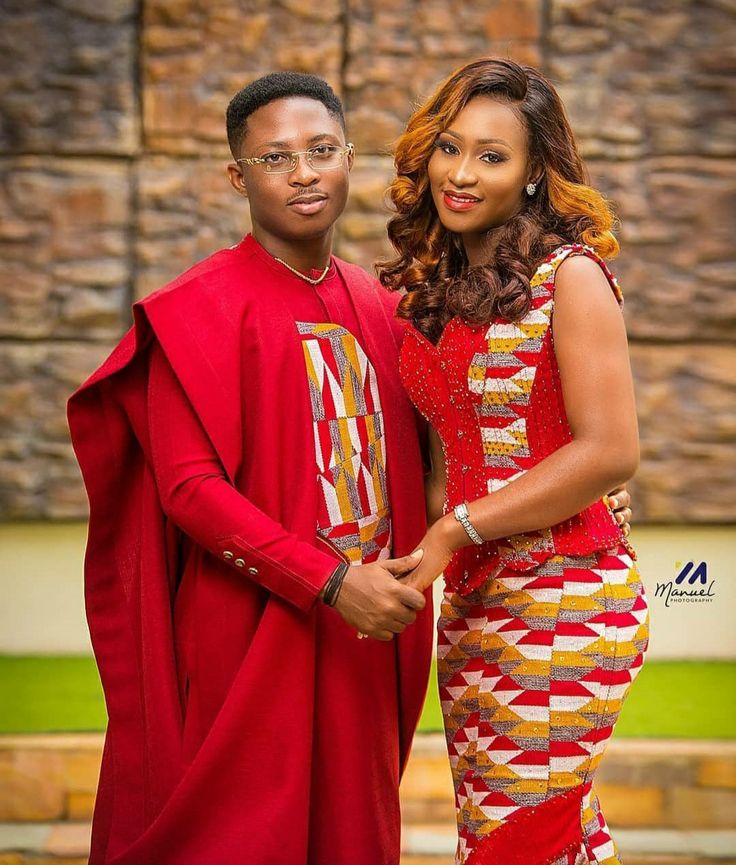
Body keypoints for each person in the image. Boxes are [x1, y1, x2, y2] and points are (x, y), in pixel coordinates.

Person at [67, 72, 435, 865]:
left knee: (352, 838)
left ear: (349, 158)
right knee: (238, 839)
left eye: (321, 149)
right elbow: (189, 490)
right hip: (249, 627)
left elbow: (443, 454)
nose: (304, 172)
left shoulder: (385, 309)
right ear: (239, 177)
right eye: (276, 157)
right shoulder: (194, 308)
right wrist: (330, 581)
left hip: (365, 635)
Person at [380, 58, 649, 865]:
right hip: (474, 604)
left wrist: (454, 530)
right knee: (531, 834)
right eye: (450, 148)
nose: (461, 174)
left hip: (564, 595)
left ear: (535, 173)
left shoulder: (571, 277)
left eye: (491, 156)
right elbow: (447, 467)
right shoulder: (435, 293)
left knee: (518, 843)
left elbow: (611, 448)